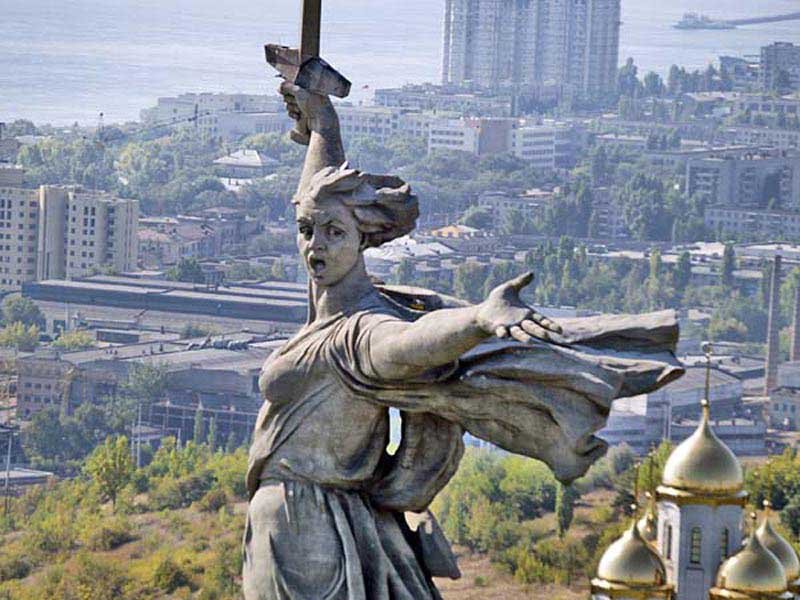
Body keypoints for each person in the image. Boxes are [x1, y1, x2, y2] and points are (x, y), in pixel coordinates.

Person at [242, 83, 683, 600]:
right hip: (306, 520)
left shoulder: (358, 332)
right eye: (306, 231)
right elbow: (315, 195)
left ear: (364, 239)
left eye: (333, 233)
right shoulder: (327, 302)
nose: (314, 245)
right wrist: (323, 124)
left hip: (308, 533)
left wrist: (477, 319)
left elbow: (408, 344)